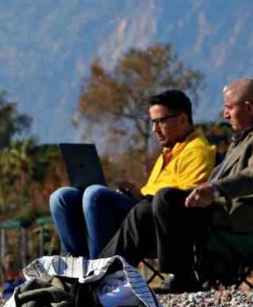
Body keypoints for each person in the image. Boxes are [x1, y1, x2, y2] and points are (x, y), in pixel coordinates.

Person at [103, 78, 253, 290]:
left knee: (165, 197)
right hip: (218, 209)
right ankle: (103, 275)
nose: (225, 114)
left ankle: (180, 277)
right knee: (143, 210)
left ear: (248, 107)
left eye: (229, 107)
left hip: (239, 215)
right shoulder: (242, 137)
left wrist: (214, 189)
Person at [49, 89, 215, 259]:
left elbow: (184, 201)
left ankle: (99, 269)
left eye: (160, 122)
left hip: (157, 224)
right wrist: (136, 192)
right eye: (152, 122)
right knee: (62, 196)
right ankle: (74, 269)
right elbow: (153, 192)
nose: (154, 129)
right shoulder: (168, 150)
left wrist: (141, 199)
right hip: (141, 210)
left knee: (96, 195)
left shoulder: (197, 151)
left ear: (182, 119)